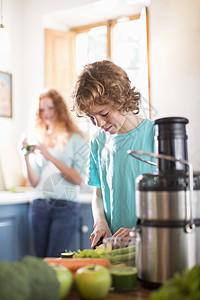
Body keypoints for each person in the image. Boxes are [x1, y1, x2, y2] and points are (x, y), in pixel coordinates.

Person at [72, 60, 156, 248]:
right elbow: (98, 194)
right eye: (91, 117)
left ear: (122, 99)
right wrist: (100, 221)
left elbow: (172, 201)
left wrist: (139, 231)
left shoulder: (156, 135)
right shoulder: (98, 142)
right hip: (115, 247)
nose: (99, 123)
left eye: (104, 113)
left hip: (152, 246)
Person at [21, 88, 89, 257]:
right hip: (39, 205)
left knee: (55, 261)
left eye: (50, 108)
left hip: (65, 206)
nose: (46, 114)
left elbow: (77, 179)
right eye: (42, 110)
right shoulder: (39, 138)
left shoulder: (76, 138)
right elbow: (34, 182)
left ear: (59, 108)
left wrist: (48, 155)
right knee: (41, 263)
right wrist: (24, 156)